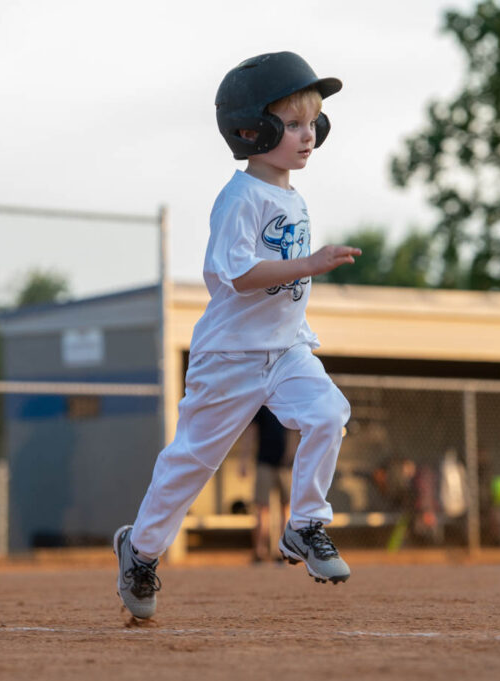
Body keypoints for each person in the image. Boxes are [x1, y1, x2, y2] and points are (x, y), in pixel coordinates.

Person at [114, 52, 361, 619]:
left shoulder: (293, 197)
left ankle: (305, 525)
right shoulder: (239, 198)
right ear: (252, 130)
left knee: (328, 413)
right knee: (192, 462)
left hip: (288, 349)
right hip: (230, 356)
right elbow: (243, 275)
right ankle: (141, 552)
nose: (308, 135)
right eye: (293, 124)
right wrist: (310, 264)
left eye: (313, 123)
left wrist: (306, 269)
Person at [250, 405, 290, 563]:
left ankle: (284, 550)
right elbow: (251, 433)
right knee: (262, 507)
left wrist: (291, 454)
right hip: (264, 462)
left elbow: (296, 432)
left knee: (286, 507)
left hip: (286, 464)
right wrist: (244, 459)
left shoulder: (289, 404)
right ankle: (260, 551)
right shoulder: (262, 406)